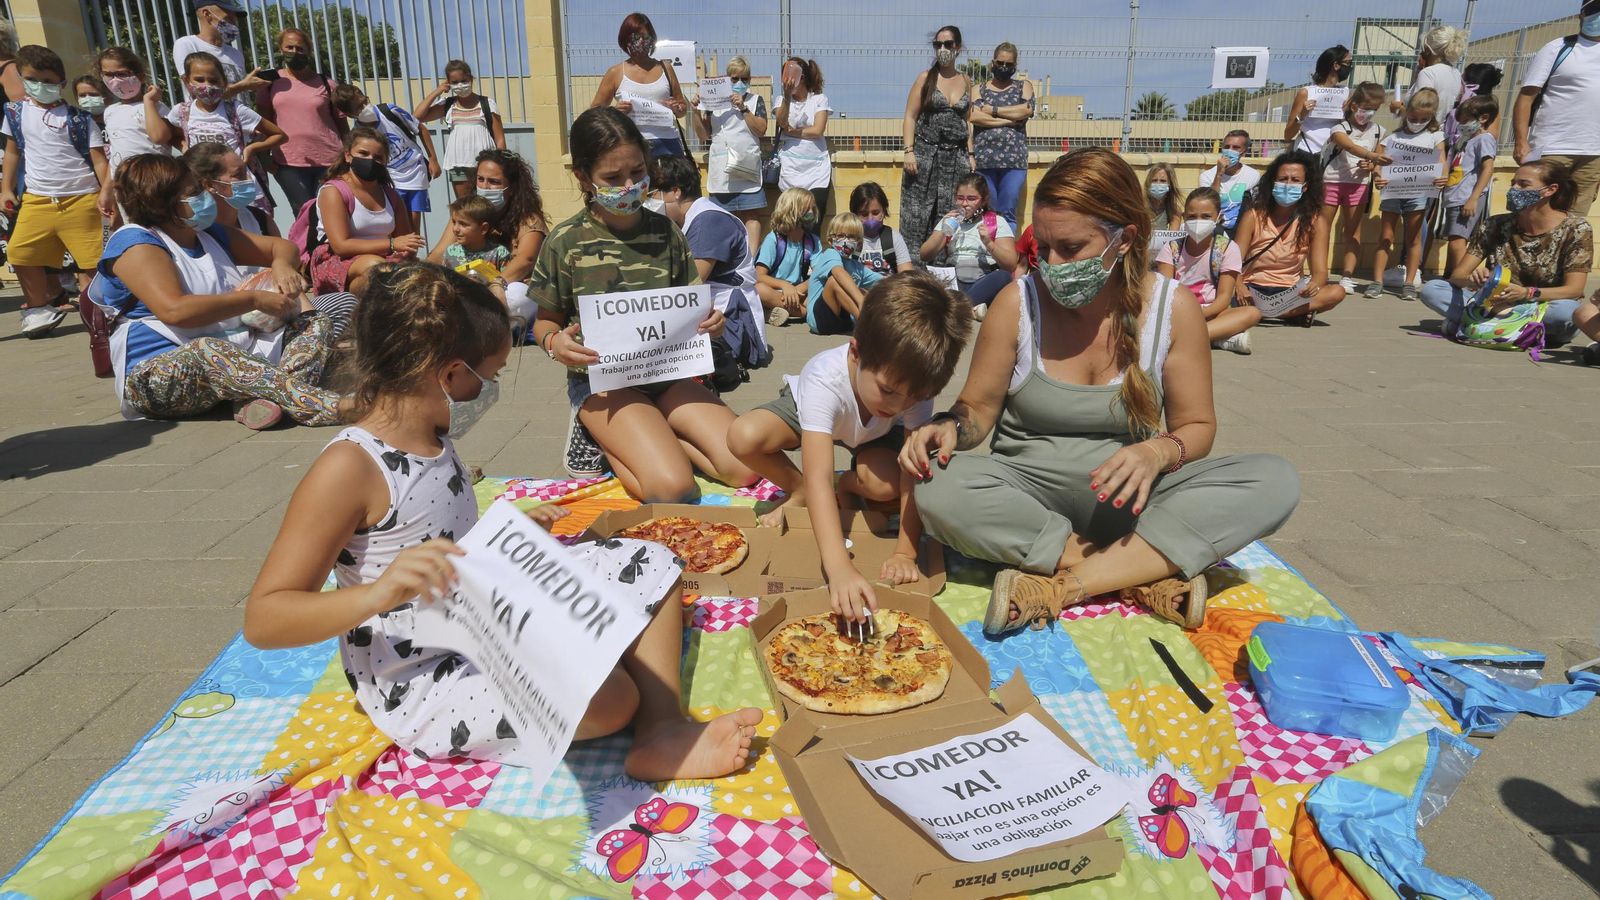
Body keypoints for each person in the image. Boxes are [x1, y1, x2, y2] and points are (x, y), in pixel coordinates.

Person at [243, 261, 761, 777]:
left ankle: (662, 729)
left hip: (482, 611)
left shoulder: (432, 434)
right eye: (487, 377)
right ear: (448, 374)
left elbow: (439, 537)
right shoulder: (349, 467)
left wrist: (506, 535)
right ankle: (625, 687)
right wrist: (380, 594)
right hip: (426, 672)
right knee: (610, 700)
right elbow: (266, 619)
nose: (488, 391)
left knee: (651, 559)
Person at [902, 148, 1299, 635]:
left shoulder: (1172, 311)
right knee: (937, 484)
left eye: (1069, 249)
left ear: (1124, 239)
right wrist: (947, 427)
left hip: (1132, 504)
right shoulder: (1016, 304)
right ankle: (1136, 573)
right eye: (1041, 248)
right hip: (1026, 500)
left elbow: (1197, 427)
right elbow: (976, 410)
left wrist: (1157, 452)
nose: (1051, 264)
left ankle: (1065, 584)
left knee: (1273, 480)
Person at [528, 107, 757, 500]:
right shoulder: (566, 241)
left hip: (669, 375)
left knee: (748, 465)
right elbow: (543, 322)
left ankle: (658, 433)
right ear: (584, 178)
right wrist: (555, 344)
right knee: (672, 487)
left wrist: (711, 321)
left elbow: (692, 304)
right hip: (603, 385)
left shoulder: (667, 232)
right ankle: (605, 439)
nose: (629, 185)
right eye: (612, 178)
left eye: (637, 172)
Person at [728, 271, 973, 621]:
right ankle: (795, 491)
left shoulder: (910, 386)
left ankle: (847, 484)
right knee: (743, 436)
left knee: (887, 483)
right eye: (888, 390)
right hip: (817, 411)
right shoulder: (824, 377)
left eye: (914, 398)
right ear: (856, 352)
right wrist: (839, 569)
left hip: (875, 434)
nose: (900, 405)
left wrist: (905, 551)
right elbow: (818, 474)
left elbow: (913, 472)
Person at [89, 153, 347, 430]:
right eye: (193, 192)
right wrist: (254, 299)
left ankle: (263, 397)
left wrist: (282, 266)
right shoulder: (135, 243)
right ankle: (326, 406)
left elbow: (279, 248)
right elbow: (175, 311)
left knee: (314, 323)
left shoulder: (207, 233)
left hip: (235, 360)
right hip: (157, 379)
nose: (205, 196)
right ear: (163, 202)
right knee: (206, 349)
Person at [1, 45, 112, 336]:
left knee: (91, 262)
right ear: (22, 79)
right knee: (21, 252)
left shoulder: (79, 119)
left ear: (62, 82)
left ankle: (97, 310)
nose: (41, 86)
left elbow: (99, 160)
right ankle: (39, 308)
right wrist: (6, 189)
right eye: (33, 79)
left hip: (82, 198)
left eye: (49, 81)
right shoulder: (15, 113)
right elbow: (12, 153)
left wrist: (105, 191)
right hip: (37, 199)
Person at [1420, 159, 1589, 348]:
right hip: (1494, 303)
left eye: (1523, 184)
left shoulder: (1576, 229)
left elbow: (1574, 290)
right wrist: (1475, 279)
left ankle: (1479, 325)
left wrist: (1526, 293)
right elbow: (1458, 276)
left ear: (1550, 190)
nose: (1514, 189)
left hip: (1539, 305)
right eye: (1513, 184)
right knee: (1432, 289)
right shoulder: (1494, 224)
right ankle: (1522, 331)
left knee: (1567, 312)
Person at [648, 155, 770, 384]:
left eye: (654, 194)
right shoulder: (694, 219)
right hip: (717, 312)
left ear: (675, 192)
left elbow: (689, 284)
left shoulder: (708, 221)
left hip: (731, 319)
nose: (651, 202)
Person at [308, 127, 423, 297]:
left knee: (417, 275)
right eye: (363, 153)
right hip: (338, 260)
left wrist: (404, 252)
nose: (370, 160)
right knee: (379, 270)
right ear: (348, 156)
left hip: (383, 260)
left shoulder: (391, 195)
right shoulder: (333, 192)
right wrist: (391, 244)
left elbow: (406, 241)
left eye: (378, 157)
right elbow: (341, 246)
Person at [1233, 150, 1346, 323]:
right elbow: (1233, 263)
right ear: (1272, 183)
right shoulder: (1253, 216)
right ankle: (1291, 315)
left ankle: (1260, 314)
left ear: (1305, 186)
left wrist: (1314, 285)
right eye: (1283, 179)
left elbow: (1320, 272)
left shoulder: (1316, 221)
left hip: (1290, 292)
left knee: (1336, 292)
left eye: (1295, 180)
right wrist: (1239, 287)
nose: (1288, 184)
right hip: (1253, 288)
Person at [167, 52, 283, 216]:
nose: (206, 85)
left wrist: (252, 148)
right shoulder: (182, 112)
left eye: (213, 81)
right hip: (203, 186)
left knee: (254, 224)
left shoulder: (236, 110)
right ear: (186, 80)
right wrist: (183, 146)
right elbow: (171, 134)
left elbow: (279, 135)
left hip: (238, 185)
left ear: (224, 83)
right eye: (199, 79)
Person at [1513, 4, 1600, 219]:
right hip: (1552, 148)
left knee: (1575, 223)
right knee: (1534, 214)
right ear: (1581, 15)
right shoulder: (1558, 48)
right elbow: (1526, 96)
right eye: (1593, 11)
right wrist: (1521, 142)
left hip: (1593, 154)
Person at [1366, 88, 1448, 302]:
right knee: (1385, 237)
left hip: (1419, 193)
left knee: (1414, 239)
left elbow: (1442, 162)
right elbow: (1379, 163)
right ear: (1406, 112)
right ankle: (1377, 282)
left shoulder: (1435, 136)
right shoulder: (1393, 137)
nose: (1417, 121)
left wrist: (1442, 177)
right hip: (1393, 191)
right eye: (1413, 117)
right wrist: (1378, 177)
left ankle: (1409, 283)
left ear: (1432, 116)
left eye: (1424, 118)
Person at [1155, 187, 1258, 355]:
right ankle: (1217, 337)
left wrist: (1200, 314)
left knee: (1252, 313)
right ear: (1184, 218)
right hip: (1177, 312)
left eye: (1206, 216)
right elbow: (1163, 292)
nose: (1198, 221)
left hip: (1211, 311)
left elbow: (1224, 297)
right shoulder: (1171, 248)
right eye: (1192, 216)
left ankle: (1182, 339)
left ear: (1218, 217)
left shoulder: (1226, 248)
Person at [900, 26, 971, 264]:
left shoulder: (966, 80)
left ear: (957, 48)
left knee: (949, 215)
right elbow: (910, 116)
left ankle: (942, 272)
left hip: (956, 158)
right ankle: (911, 271)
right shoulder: (925, 78)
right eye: (938, 44)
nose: (943, 49)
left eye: (948, 44)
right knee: (916, 214)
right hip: (924, 155)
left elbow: (967, 121)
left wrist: (970, 154)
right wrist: (909, 151)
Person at [257, 28, 345, 213]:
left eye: (300, 48)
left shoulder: (327, 84)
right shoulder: (269, 82)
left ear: (309, 51)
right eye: (289, 47)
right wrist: (265, 158)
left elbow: (342, 124)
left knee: (329, 213)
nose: (294, 52)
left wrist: (348, 156)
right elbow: (263, 122)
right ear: (281, 49)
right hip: (288, 163)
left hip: (329, 161)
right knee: (304, 215)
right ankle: (307, 244)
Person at [331, 84, 438, 230]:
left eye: (365, 102)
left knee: (413, 224)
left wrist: (433, 159)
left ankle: (412, 253)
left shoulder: (389, 111)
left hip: (415, 171)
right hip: (390, 178)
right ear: (350, 114)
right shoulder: (359, 134)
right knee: (396, 224)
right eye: (359, 108)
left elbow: (420, 128)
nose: (365, 107)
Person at [692, 55, 766, 253]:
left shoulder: (756, 100)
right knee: (721, 217)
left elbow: (761, 129)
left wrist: (743, 108)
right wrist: (695, 110)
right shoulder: (713, 101)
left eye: (744, 79)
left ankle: (749, 260)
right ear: (726, 79)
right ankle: (725, 260)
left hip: (746, 166)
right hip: (721, 169)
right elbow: (703, 135)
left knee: (751, 216)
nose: (740, 83)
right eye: (735, 79)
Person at [918, 172, 1018, 317]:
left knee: (1003, 277)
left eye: (971, 199)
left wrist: (989, 243)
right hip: (954, 280)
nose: (965, 204)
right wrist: (943, 231)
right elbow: (924, 255)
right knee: (927, 279)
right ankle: (971, 309)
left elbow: (1011, 264)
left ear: (984, 200)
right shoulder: (950, 220)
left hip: (982, 279)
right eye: (960, 198)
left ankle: (956, 309)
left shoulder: (996, 222)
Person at [590, 13, 688, 158]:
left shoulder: (666, 68)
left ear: (652, 39)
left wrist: (677, 108)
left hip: (668, 144)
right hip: (631, 143)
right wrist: (615, 112)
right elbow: (595, 111)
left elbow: (682, 109)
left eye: (646, 36)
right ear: (625, 39)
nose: (641, 41)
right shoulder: (615, 73)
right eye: (636, 37)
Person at [1322, 82, 1388, 293]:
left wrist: (1372, 166)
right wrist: (1370, 156)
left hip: (1358, 185)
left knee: (1352, 231)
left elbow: (1376, 162)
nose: (1368, 113)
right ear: (1354, 106)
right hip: (1331, 181)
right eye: (1366, 108)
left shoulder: (1378, 131)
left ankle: (1347, 276)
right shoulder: (1339, 128)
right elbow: (1348, 145)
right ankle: (1320, 273)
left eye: (1374, 110)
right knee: (1322, 229)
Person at [417, 59, 506, 200]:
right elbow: (417, 116)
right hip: (458, 165)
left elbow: (500, 139)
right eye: (455, 82)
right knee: (464, 207)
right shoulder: (448, 105)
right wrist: (437, 91)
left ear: (470, 79)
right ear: (449, 83)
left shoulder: (486, 104)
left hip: (485, 165)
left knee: (489, 206)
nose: (460, 85)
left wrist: (499, 164)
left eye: (464, 80)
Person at [969, 42, 1033, 228]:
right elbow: (974, 116)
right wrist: (1007, 120)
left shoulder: (1023, 86)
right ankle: (989, 255)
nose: (1004, 67)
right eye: (1000, 62)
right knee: (989, 213)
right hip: (984, 160)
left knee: (1007, 213)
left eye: (1009, 64)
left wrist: (992, 109)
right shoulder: (978, 89)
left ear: (1014, 66)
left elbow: (1026, 110)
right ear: (993, 62)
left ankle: (1006, 256)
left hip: (1014, 162)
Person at [96, 46, 175, 185]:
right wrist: (106, 191)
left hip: (155, 182)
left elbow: (160, 137)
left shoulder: (155, 107)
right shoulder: (110, 111)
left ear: (141, 76)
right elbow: (115, 154)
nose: (115, 80)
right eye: (108, 75)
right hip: (125, 185)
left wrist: (148, 101)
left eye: (122, 74)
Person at [1441, 95, 1499, 278]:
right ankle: (1451, 276)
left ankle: (1464, 280)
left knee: (1458, 241)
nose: (1462, 125)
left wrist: (1473, 198)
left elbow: (1488, 167)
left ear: (1483, 118)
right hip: (1455, 195)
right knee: (1453, 239)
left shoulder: (1484, 139)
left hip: (1465, 197)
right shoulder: (1465, 140)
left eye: (1466, 121)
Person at [806, 212, 884, 335]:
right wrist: (860, 300)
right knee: (834, 282)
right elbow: (838, 273)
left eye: (851, 237)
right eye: (841, 236)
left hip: (845, 323)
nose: (846, 241)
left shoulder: (857, 267)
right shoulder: (830, 254)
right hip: (820, 320)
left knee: (871, 290)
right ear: (831, 240)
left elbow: (883, 282)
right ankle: (866, 322)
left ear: (858, 243)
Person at [170, 0, 266, 100]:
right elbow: (198, 94)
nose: (234, 23)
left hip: (239, 115)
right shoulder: (187, 44)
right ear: (207, 14)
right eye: (228, 18)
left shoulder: (236, 54)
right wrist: (242, 86)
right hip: (209, 116)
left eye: (235, 18)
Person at [775, 57, 832, 219]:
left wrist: (791, 131)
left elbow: (818, 130)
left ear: (803, 77)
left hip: (817, 172)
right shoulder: (781, 101)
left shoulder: (819, 99)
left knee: (813, 220)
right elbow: (781, 122)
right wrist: (787, 96)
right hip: (790, 170)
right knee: (790, 220)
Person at [754, 187, 820, 326]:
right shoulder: (773, 240)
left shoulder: (813, 241)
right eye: (806, 209)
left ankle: (776, 312)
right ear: (790, 210)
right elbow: (759, 276)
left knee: (823, 288)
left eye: (812, 209)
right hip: (776, 290)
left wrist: (799, 288)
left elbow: (820, 272)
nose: (811, 213)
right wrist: (785, 286)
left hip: (799, 292)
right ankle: (804, 313)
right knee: (760, 290)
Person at [185, 142, 274, 235]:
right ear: (209, 185)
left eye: (246, 170)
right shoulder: (196, 232)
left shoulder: (261, 219)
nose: (249, 178)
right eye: (238, 175)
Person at [1285, 45, 1352, 155]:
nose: (1350, 67)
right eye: (1348, 63)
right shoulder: (1306, 92)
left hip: (1332, 153)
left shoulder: (1345, 92)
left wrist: (1347, 113)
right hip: (1307, 151)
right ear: (1336, 65)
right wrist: (1302, 115)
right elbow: (1288, 134)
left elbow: (1348, 127)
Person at [1395, 26, 1467, 120]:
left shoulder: (1428, 73)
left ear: (1428, 49)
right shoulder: (1456, 73)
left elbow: (1419, 110)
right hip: (1441, 130)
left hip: (1421, 130)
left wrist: (1398, 108)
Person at [1198, 129, 1259, 236]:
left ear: (1244, 152)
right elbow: (1209, 203)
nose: (1230, 151)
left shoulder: (1253, 175)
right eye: (1227, 147)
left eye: (1236, 148)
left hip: (1241, 231)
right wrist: (1219, 174)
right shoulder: (1207, 176)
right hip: (1214, 231)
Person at [852, 181, 914, 277]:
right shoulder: (849, 240)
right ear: (855, 215)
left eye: (875, 213)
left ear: (884, 212)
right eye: (864, 214)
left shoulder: (894, 238)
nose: (870, 219)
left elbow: (907, 276)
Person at [1144, 163, 1180, 230]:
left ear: (1170, 184)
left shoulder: (1173, 210)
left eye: (1163, 181)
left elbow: (1173, 235)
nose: (1158, 184)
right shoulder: (1140, 206)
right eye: (1154, 180)